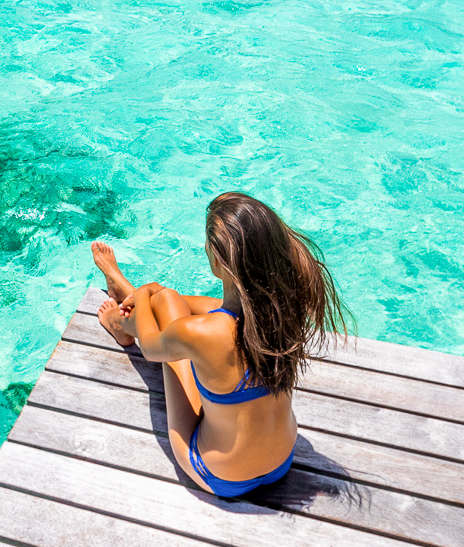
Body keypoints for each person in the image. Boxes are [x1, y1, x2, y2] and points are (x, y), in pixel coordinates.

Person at [91, 193, 346, 498]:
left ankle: (120, 324)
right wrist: (161, 295)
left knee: (172, 347)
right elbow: (210, 310)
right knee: (169, 301)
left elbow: (150, 348)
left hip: (221, 476)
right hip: (282, 461)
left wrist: (146, 292)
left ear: (216, 262)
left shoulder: (202, 333)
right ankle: (125, 289)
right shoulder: (285, 309)